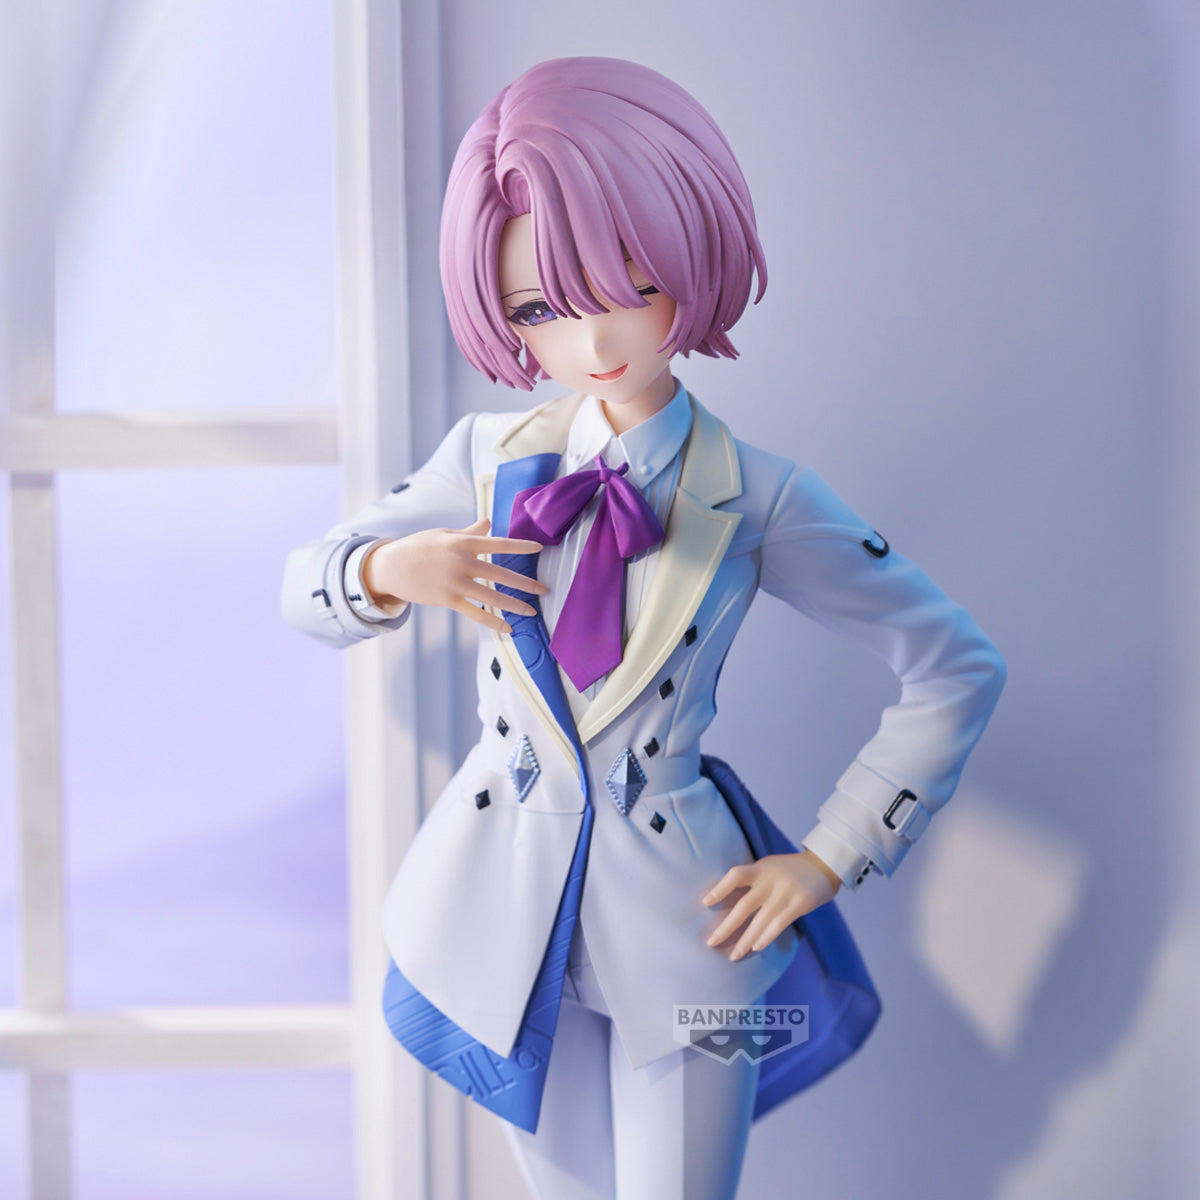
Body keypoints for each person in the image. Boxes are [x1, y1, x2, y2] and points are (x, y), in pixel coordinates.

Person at [282, 56, 1005, 1200]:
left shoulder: (759, 495)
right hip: (502, 912)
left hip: (695, 930)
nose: (592, 339)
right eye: (539, 309)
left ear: (689, 257)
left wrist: (833, 852)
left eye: (629, 282)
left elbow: (956, 663)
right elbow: (305, 589)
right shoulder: (486, 460)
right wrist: (391, 568)